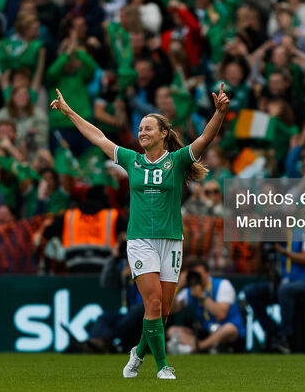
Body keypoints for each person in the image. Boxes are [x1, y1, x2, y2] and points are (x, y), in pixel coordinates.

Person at [50, 82, 230, 380]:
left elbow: (206, 137)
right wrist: (70, 112)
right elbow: (98, 137)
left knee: (163, 312)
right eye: (140, 129)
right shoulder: (131, 161)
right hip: (139, 241)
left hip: (172, 241)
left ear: (163, 134)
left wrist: (220, 112)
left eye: (148, 128)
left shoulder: (178, 160)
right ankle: (162, 366)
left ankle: (138, 353)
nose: (142, 132)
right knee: (154, 303)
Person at [244, 235, 305, 353]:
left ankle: (285, 337)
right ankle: (273, 332)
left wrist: (284, 252)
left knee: (284, 290)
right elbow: (256, 269)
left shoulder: (303, 235)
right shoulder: (275, 243)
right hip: (285, 287)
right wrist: (261, 247)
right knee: (251, 292)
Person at [167, 259, 245, 353]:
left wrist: (201, 296)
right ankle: (205, 346)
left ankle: (196, 348)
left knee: (229, 329)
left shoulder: (223, 285)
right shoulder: (191, 290)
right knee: (172, 331)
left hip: (226, 331)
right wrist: (177, 287)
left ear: (208, 273)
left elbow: (221, 314)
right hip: (205, 332)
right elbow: (170, 310)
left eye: (199, 274)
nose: (197, 278)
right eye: (193, 274)